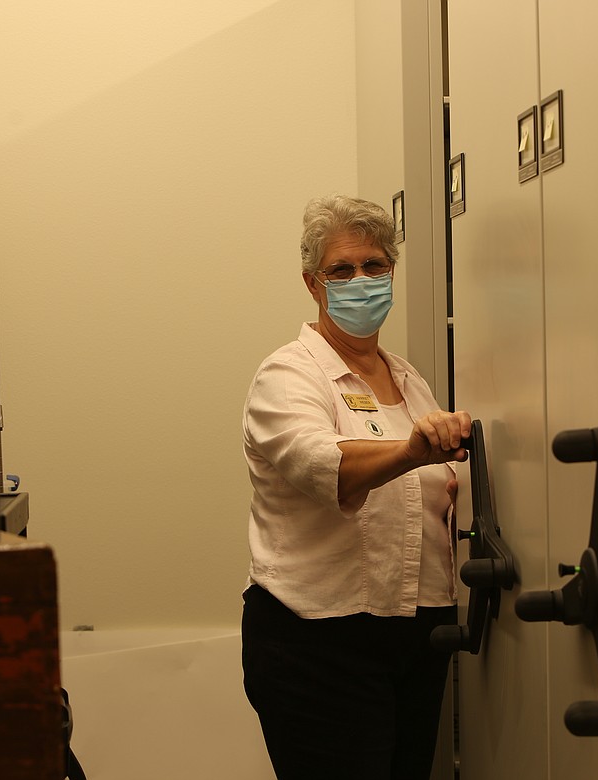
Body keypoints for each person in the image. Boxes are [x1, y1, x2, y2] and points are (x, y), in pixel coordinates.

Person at [241, 194, 473, 780]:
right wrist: (413, 450)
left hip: (417, 633)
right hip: (318, 643)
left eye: (375, 266)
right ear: (313, 284)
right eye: (341, 270)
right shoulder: (288, 374)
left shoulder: (406, 377)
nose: (361, 280)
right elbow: (326, 465)